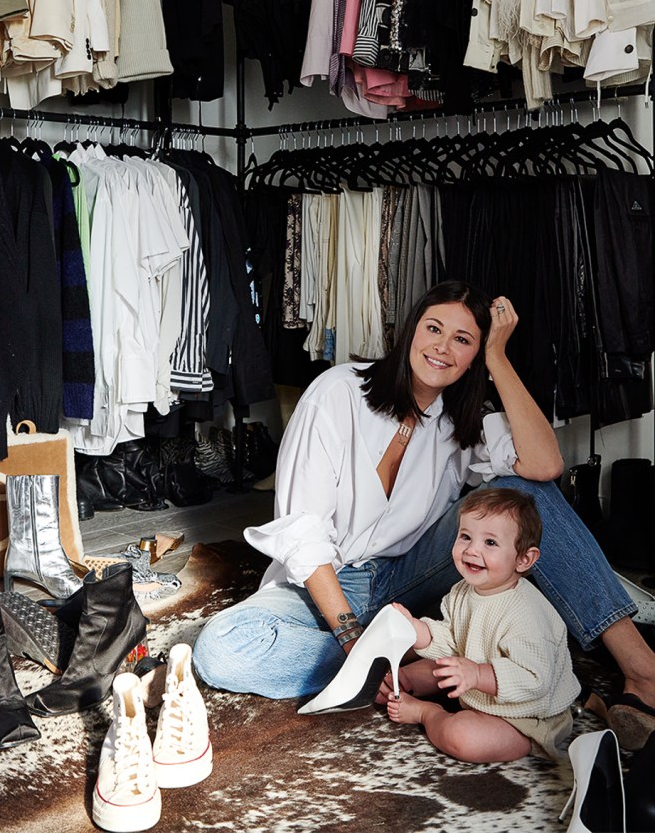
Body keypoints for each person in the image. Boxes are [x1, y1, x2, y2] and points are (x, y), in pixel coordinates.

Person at [192, 280, 655, 750]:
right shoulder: (337, 393)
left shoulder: (462, 416)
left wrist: (499, 358)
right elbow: (302, 531)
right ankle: (426, 670)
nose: (442, 347)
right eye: (434, 328)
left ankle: (643, 672)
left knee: (521, 491)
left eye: (463, 340)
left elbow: (544, 466)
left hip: (409, 574)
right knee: (222, 648)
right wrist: (353, 637)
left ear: (474, 356)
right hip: (327, 581)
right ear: (412, 329)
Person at [378, 486, 579, 763]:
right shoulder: (462, 591)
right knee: (436, 665)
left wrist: (477, 674)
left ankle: (427, 712)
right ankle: (404, 682)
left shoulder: (526, 613)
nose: (472, 550)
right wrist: (417, 631)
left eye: (491, 543)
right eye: (465, 537)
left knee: (464, 738)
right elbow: (451, 641)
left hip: (526, 715)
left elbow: (535, 679)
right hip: (475, 685)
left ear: (524, 559)